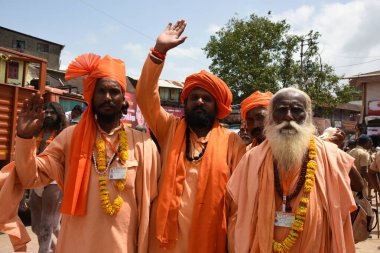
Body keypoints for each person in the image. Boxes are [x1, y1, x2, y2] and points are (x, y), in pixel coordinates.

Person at [14, 53, 160, 253]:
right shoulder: (70, 137)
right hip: (77, 245)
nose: (107, 97)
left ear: (122, 97)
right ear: (92, 95)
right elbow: (31, 176)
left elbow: (153, 204)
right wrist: (24, 138)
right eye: (101, 91)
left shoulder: (143, 145)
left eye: (114, 91)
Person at [135, 20, 246, 252]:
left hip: (211, 239)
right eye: (194, 96)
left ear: (217, 106)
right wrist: (159, 52)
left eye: (207, 98)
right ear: (185, 101)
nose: (199, 102)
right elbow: (146, 97)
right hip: (166, 241)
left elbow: (238, 201)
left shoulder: (232, 142)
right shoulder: (170, 129)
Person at [227, 87, 356, 252]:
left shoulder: (330, 155)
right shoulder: (251, 159)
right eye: (281, 110)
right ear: (271, 118)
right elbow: (240, 213)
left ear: (308, 117)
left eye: (296, 110)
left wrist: (337, 155)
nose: (288, 116)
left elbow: (350, 201)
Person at [29, 102, 68, 253]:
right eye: (46, 111)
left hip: (53, 181)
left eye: (53, 112)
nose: (49, 114)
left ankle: (44, 251)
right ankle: (61, 247)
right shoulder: (36, 130)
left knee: (46, 224)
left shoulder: (64, 133)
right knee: (37, 227)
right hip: (35, 178)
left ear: (59, 115)